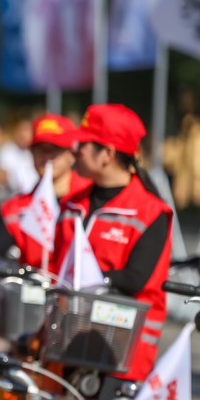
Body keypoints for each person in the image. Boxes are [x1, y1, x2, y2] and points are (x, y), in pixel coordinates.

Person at [51, 104, 171, 382]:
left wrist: (89, 279)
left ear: (107, 153)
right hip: (68, 342)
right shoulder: (71, 204)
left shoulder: (151, 212)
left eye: (83, 144)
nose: (75, 150)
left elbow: (136, 278)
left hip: (121, 351)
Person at [0, 113, 92, 267]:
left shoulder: (92, 200)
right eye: (40, 149)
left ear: (72, 154)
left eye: (55, 149)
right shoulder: (13, 209)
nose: (47, 157)